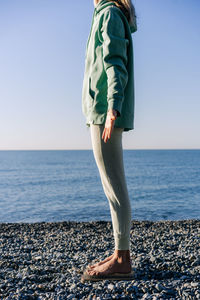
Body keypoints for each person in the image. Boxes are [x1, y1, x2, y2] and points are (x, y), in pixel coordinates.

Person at [81, 0, 137, 281]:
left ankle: (122, 260)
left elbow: (116, 60)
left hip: (105, 113)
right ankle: (118, 253)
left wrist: (113, 106)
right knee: (111, 185)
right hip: (102, 112)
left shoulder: (110, 14)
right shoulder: (105, 13)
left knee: (114, 186)